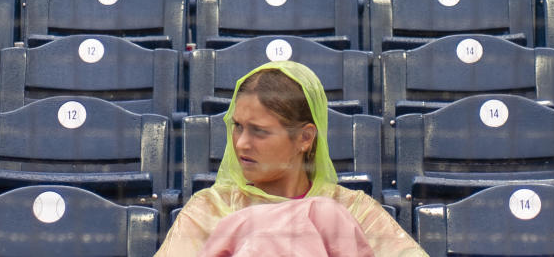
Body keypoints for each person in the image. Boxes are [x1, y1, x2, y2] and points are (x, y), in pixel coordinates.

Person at [155, 61, 427, 257]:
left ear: (305, 138)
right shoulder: (209, 209)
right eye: (238, 126)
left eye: (259, 131)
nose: (241, 143)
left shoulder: (354, 210)